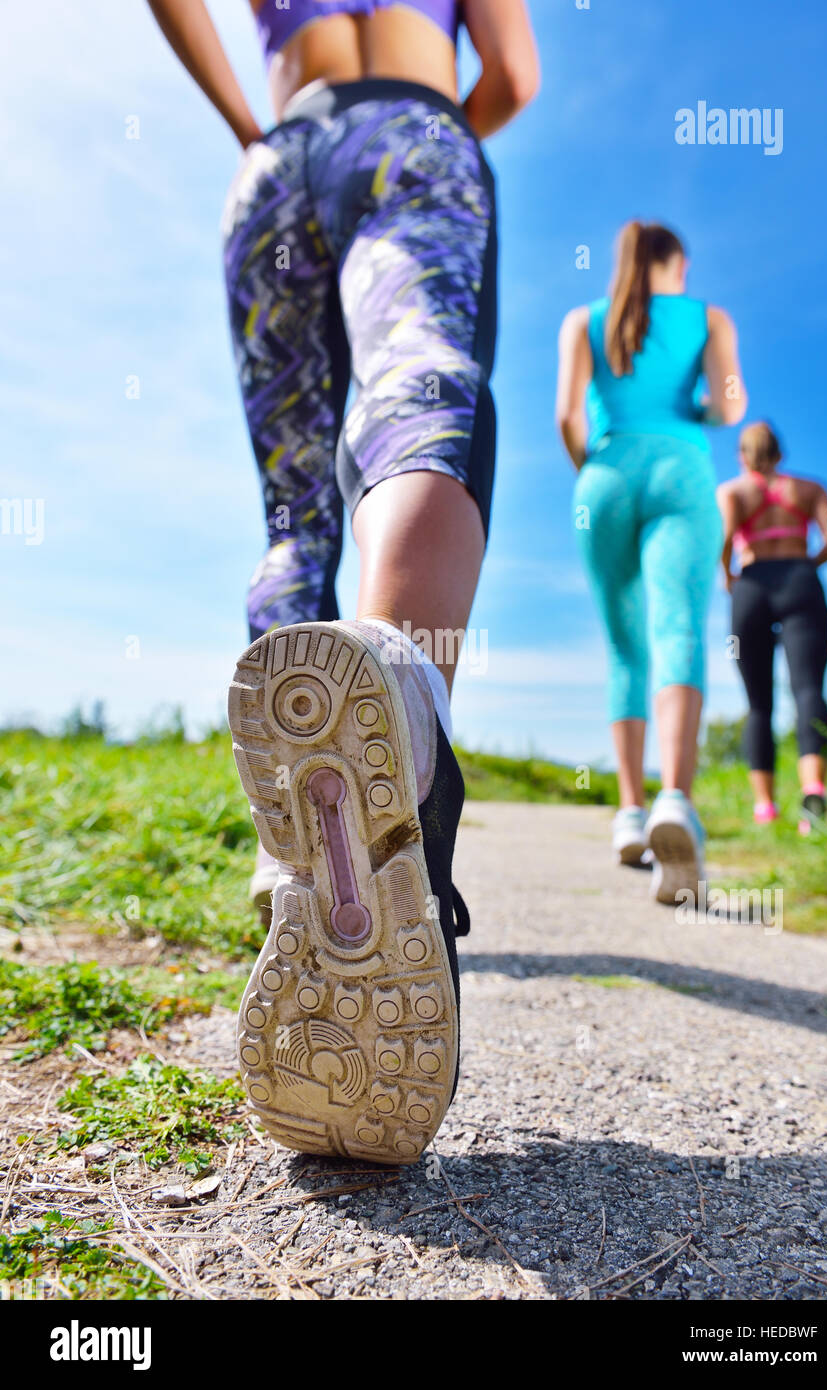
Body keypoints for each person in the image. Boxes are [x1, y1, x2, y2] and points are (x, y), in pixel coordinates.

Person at [145, 0, 538, 1163]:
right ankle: (403, 713)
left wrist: (248, 122)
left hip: (276, 161)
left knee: (291, 503)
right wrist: (425, 143)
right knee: (421, 397)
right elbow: (511, 72)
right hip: (410, 132)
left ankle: (293, 851)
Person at [557, 221, 747, 903]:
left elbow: (566, 418)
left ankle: (629, 814)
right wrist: (689, 406)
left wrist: (599, 476)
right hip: (679, 470)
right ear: (678, 264)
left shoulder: (583, 320)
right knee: (677, 630)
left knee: (622, 646)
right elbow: (729, 406)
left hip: (604, 475)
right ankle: (675, 800)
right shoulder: (707, 317)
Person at [717, 422, 827, 832]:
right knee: (807, 689)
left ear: (742, 455)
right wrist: (807, 566)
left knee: (758, 703)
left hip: (751, 587)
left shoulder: (733, 492)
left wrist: (729, 577)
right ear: (780, 452)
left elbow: (724, 540)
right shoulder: (810, 489)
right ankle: (814, 789)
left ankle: (765, 807)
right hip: (801, 582)